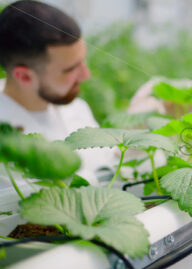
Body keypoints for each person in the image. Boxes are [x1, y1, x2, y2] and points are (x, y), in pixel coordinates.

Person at [0, 1, 112, 184]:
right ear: (24, 77)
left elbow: (105, 163)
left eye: (82, 61)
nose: (86, 75)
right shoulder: (5, 140)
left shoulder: (76, 107)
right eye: (70, 69)